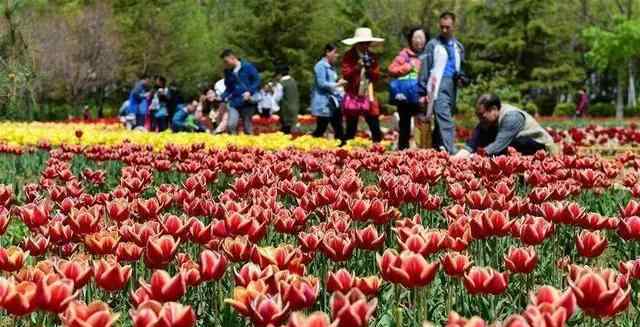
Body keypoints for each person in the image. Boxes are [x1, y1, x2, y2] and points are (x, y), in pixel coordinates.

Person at [418, 12, 466, 154]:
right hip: (437, 86)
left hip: (452, 86)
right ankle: (452, 152)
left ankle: (436, 150)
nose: (444, 30)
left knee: (442, 119)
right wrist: (422, 92)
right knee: (444, 117)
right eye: (442, 27)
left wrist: (462, 78)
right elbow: (425, 68)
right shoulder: (432, 45)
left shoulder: (458, 46)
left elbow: (461, 67)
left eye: (448, 27)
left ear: (454, 26)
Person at [454, 93, 557, 159]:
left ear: (493, 109)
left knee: (507, 147)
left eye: (481, 115)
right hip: (519, 146)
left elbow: (499, 145)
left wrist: (473, 157)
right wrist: (458, 157)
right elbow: (473, 143)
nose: (479, 119)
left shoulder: (512, 117)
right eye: (478, 115)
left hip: (540, 147)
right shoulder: (487, 121)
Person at [388, 27, 428, 150]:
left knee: (422, 126)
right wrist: (408, 66)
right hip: (405, 97)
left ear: (426, 40)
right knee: (404, 127)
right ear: (410, 40)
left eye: (421, 37)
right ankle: (403, 153)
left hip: (421, 97)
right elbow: (391, 69)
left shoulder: (428, 55)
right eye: (415, 37)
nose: (418, 40)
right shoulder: (404, 54)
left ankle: (423, 154)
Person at [341, 28, 384, 143]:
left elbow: (376, 76)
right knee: (351, 128)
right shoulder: (349, 56)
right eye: (362, 43)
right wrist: (357, 68)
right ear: (356, 43)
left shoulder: (372, 56)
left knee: (375, 125)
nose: (365, 45)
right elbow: (345, 75)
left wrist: (369, 69)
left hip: (368, 94)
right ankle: (346, 153)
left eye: (367, 43)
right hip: (353, 96)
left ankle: (378, 151)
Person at [311, 43, 346, 144]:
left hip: (332, 103)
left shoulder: (331, 67)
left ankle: (342, 147)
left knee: (338, 126)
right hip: (324, 103)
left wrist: (339, 83)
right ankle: (308, 146)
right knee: (322, 128)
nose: (337, 55)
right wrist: (337, 84)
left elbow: (332, 82)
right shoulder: (320, 66)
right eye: (335, 52)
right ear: (327, 52)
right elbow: (321, 83)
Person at [219, 49, 261, 135]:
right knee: (231, 125)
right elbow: (229, 88)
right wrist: (222, 97)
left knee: (247, 128)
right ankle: (233, 146)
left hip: (247, 102)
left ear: (232, 58)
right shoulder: (227, 72)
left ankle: (250, 147)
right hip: (234, 102)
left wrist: (249, 92)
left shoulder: (248, 67)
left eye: (226, 61)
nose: (225, 64)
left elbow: (257, 81)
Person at [275, 64, 300, 134]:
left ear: (279, 74)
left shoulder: (281, 83)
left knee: (285, 130)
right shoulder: (293, 81)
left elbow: (277, 98)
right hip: (295, 108)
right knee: (292, 130)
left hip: (285, 110)